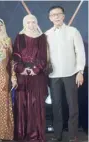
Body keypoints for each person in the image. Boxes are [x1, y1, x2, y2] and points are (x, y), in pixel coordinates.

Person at [45, 6, 86, 142]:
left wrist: (80, 71)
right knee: (56, 105)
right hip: (53, 75)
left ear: (63, 16)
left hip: (71, 73)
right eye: (53, 15)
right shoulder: (47, 34)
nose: (56, 17)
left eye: (59, 14)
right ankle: (57, 135)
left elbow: (80, 52)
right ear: (50, 18)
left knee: (72, 105)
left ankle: (73, 135)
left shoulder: (73, 31)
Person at [13, 14, 48, 142]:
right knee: (22, 103)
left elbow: (44, 56)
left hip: (37, 76)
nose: (31, 24)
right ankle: (21, 133)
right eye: (28, 22)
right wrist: (22, 69)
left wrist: (36, 69)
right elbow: (16, 54)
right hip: (22, 75)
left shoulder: (42, 37)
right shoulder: (19, 37)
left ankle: (36, 135)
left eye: (33, 22)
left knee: (36, 103)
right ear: (24, 24)